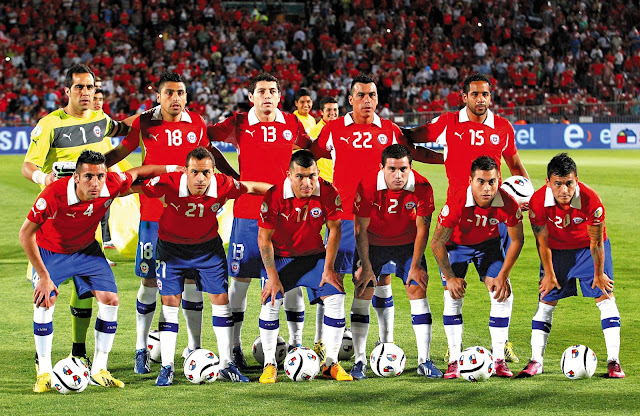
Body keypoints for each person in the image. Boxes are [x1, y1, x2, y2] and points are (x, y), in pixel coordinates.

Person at [310, 74, 443, 380]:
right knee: (339, 282)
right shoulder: (333, 130)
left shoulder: (390, 130)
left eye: (372, 95)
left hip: (382, 222)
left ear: (377, 99)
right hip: (343, 220)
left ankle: (385, 344)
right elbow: (311, 157)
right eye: (361, 95)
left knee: (378, 282)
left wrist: (445, 160)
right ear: (350, 99)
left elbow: (411, 156)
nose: (367, 100)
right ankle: (330, 349)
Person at [104, 72, 238, 375]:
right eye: (169, 93)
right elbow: (121, 151)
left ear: (187, 96)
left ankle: (193, 347)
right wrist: (96, 169)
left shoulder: (197, 123)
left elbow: (210, 156)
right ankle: (141, 347)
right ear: (158, 96)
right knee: (150, 282)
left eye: (180, 93)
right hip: (154, 215)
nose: (175, 98)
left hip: (194, 217)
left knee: (192, 282)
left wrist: (234, 178)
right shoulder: (145, 123)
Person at [404, 73, 529, 363]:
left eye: (485, 94)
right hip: (456, 222)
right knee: (452, 292)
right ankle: (453, 349)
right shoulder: (448, 122)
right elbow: (413, 137)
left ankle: (502, 344)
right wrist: (441, 158)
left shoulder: (503, 127)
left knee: (501, 290)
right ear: (464, 97)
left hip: (490, 225)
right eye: (475, 94)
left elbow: (515, 165)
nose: (481, 99)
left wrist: (527, 198)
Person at [20, 150, 168, 392]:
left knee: (111, 300)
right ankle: (45, 372)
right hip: (51, 252)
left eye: (100, 176)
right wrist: (44, 277)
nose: (96, 183)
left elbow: (138, 173)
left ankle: (99, 369)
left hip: (87, 250)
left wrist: (173, 170)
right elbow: (25, 233)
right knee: (44, 301)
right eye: (89, 176)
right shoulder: (54, 194)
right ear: (76, 178)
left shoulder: (110, 184)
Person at [22, 64, 130, 371]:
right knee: (49, 289)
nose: (85, 92)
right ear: (67, 91)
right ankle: (43, 356)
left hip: (89, 216)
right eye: (79, 87)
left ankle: (78, 347)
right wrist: (44, 179)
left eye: (90, 87)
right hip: (58, 213)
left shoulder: (99, 119)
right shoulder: (50, 124)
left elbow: (122, 129)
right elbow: (28, 165)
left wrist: (152, 115)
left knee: (86, 288)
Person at [138, 147, 271, 385]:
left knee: (221, 301)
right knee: (170, 303)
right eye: (195, 172)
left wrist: (284, 193)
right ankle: (167, 366)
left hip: (208, 250)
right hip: (172, 250)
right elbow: (135, 186)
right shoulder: (168, 181)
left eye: (206, 173)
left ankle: (226, 364)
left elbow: (250, 187)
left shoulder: (223, 183)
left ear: (213, 172)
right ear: (185, 171)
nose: (201, 178)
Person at [207, 73, 312, 368]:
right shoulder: (238, 123)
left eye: (273, 91)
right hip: (247, 214)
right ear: (251, 96)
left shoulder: (292, 123)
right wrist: (231, 175)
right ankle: (236, 347)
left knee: (291, 282)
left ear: (280, 96)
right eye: (262, 91)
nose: (267, 96)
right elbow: (206, 139)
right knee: (239, 282)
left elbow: (309, 151)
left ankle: (296, 344)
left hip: (285, 216)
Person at [516, 153, 624, 379]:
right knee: (546, 301)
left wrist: (599, 274)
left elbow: (596, 242)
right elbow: (541, 241)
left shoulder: (591, 200)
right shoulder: (537, 202)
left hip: (588, 249)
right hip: (555, 251)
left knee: (605, 298)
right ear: (548, 183)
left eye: (569, 183)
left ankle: (614, 362)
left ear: (576, 180)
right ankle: (536, 361)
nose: (564, 190)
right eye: (558, 184)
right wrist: (549, 273)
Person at [257, 150, 351, 383]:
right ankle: (269, 364)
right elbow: (263, 238)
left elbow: (335, 230)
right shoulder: (275, 195)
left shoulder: (328, 191)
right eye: (300, 176)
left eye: (311, 176)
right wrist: (272, 276)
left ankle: (331, 363)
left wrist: (328, 269)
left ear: (318, 173)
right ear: (289, 175)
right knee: (271, 299)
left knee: (336, 296)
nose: (307, 182)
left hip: (314, 257)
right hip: (281, 257)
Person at [353, 144, 442, 379]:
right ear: (381, 167)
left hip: (407, 244)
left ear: (410, 167)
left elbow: (423, 228)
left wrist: (415, 265)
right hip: (372, 243)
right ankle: (359, 360)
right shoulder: (367, 185)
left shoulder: (422, 186)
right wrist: (366, 265)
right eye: (392, 169)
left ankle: (424, 360)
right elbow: (359, 229)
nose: (398, 175)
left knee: (417, 289)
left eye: (403, 169)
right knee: (363, 291)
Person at [430, 156, 524, 379]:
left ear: (499, 180)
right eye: (481, 181)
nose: (487, 188)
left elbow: (517, 240)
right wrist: (450, 277)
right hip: (456, 245)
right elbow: (437, 242)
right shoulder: (456, 202)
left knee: (503, 294)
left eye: (492, 182)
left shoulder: (508, 202)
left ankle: (499, 359)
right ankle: (454, 360)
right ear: (470, 180)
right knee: (452, 296)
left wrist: (503, 275)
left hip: (488, 246)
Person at [308, 95, 339, 359]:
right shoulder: (319, 132)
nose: (332, 113)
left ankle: (330, 334)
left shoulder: (340, 129)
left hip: (337, 198)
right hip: (322, 197)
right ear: (322, 112)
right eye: (329, 110)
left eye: (335, 110)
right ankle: (319, 338)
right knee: (326, 269)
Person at [93, 88, 116, 257]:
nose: (98, 102)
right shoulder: (85, 121)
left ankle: (103, 243)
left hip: (101, 173)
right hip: (87, 176)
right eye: (95, 99)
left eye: (101, 99)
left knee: (103, 211)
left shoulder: (103, 120)